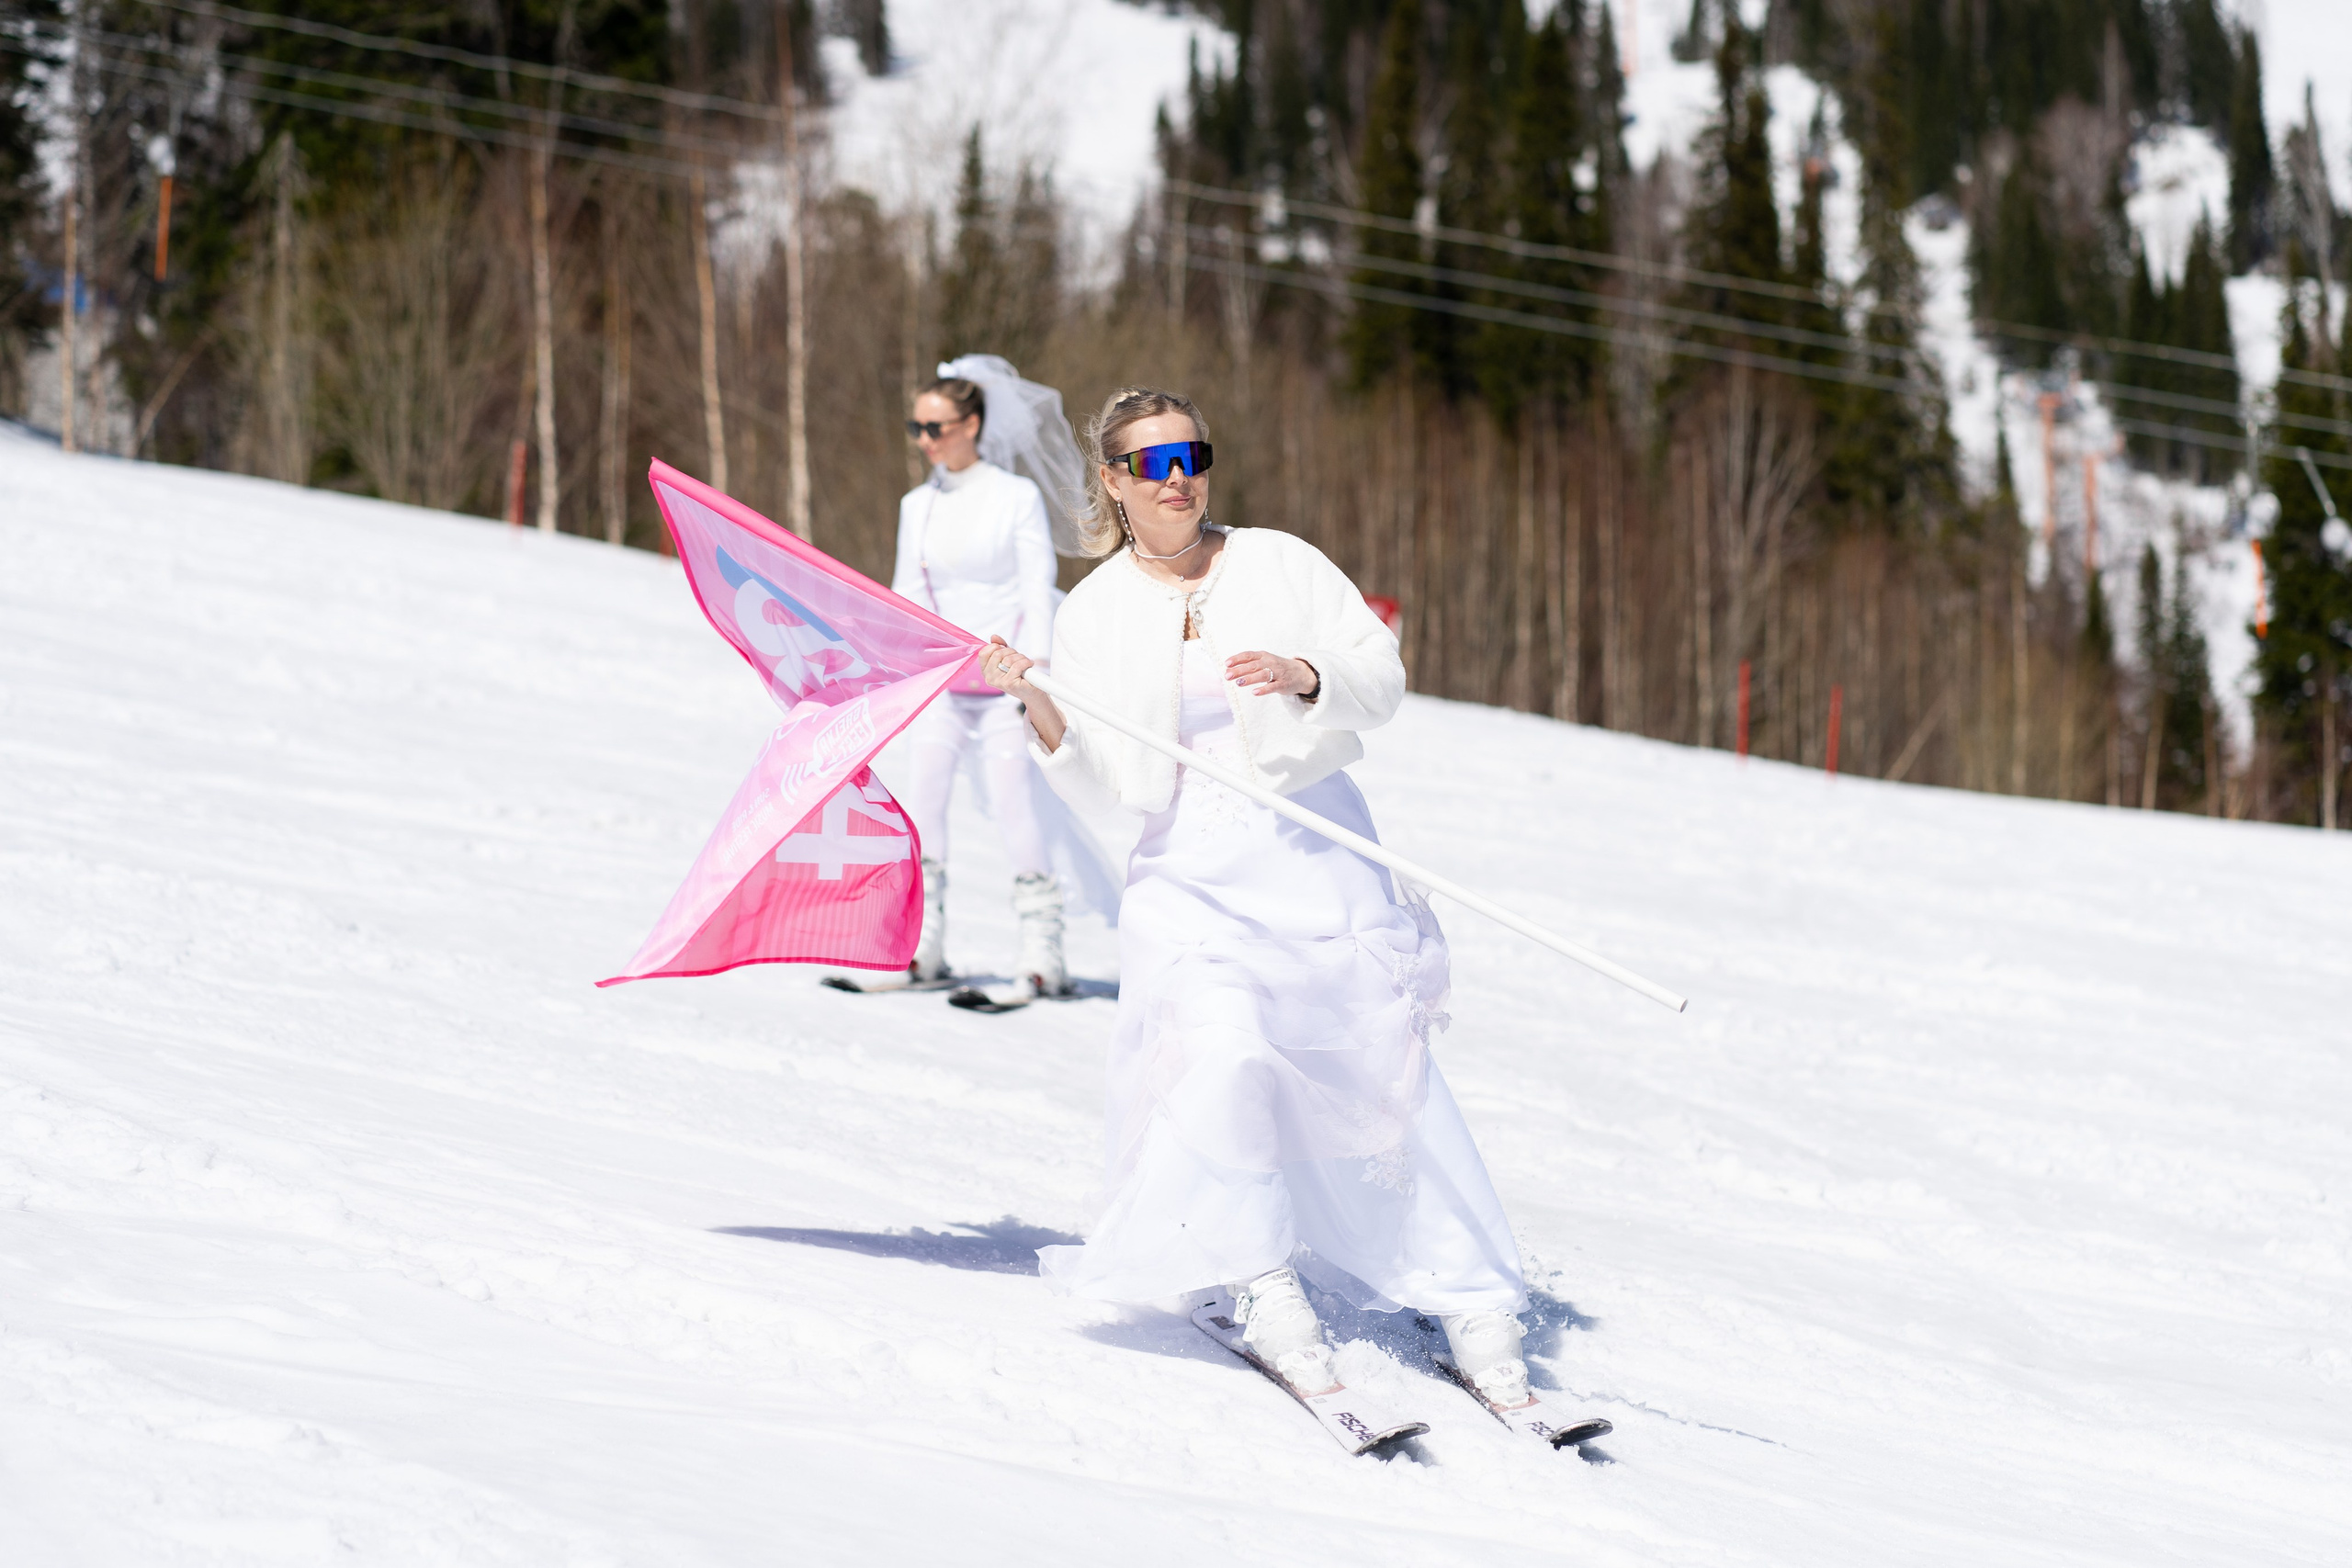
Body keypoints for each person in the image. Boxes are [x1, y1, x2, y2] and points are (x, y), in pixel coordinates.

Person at [979, 386, 1573, 1418]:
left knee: (1384, 1075)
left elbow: (1377, 675)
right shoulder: (1098, 612)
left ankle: (1471, 1298)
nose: (1179, 479)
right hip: (1190, 879)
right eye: (1152, 465)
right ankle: (1258, 1285)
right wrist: (1035, 699)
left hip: (1313, 853)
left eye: (1191, 456)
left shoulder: (1278, 560)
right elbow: (1105, 785)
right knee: (1223, 1056)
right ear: (1114, 483)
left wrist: (1305, 674)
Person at [891, 368, 1069, 998]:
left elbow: (1035, 583)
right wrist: (900, 667)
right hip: (942, 681)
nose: (924, 440)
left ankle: (1043, 953)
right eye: (916, 427)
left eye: (934, 427)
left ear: (970, 425)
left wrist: (1035, 672)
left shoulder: (1014, 495)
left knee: (1013, 802)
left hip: (1004, 683)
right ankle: (923, 947)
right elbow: (906, 595)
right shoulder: (919, 505)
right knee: (925, 800)